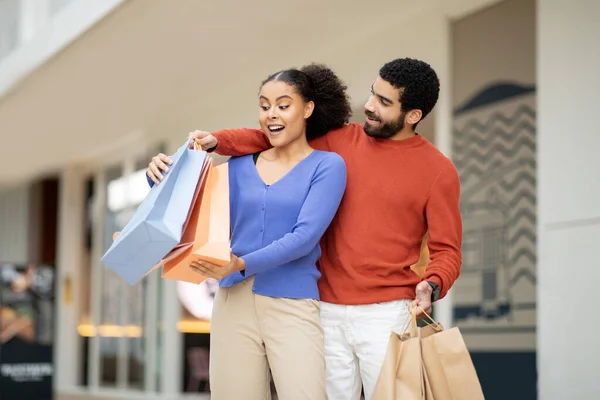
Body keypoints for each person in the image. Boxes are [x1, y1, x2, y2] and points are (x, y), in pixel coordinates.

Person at [178, 57, 463, 400]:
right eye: (373, 94)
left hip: (386, 315)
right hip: (323, 309)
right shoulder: (339, 141)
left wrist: (432, 283)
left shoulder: (438, 171)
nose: (369, 106)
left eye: (384, 103)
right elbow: (270, 138)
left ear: (413, 115)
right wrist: (217, 140)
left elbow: (447, 250)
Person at [147, 64, 351, 400]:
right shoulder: (239, 166)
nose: (271, 114)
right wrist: (157, 176)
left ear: (308, 109)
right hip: (232, 303)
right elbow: (186, 207)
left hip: (293, 303)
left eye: (283, 105)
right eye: (264, 105)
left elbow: (303, 238)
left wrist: (239, 263)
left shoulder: (327, 166)